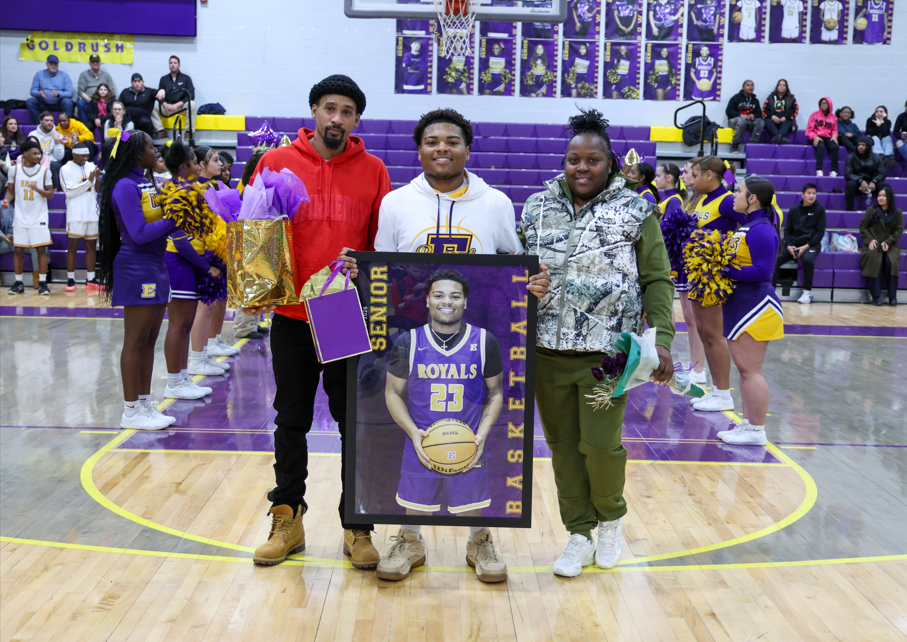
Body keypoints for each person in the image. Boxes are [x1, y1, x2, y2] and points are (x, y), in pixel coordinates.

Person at [345, 108, 547, 583]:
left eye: (452, 141)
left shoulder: (495, 202)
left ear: (467, 148)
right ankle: (408, 536)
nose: (442, 148)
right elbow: (381, 268)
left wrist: (532, 283)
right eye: (432, 141)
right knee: (408, 434)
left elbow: (511, 266)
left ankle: (481, 536)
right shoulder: (396, 203)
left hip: (473, 340)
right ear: (418, 149)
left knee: (478, 435)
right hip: (410, 339)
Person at [243, 75, 391, 569]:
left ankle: (357, 526)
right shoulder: (276, 162)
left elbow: (381, 247)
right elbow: (254, 235)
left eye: (347, 111)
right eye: (330, 108)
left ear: (356, 119)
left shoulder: (373, 171)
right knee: (291, 420)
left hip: (342, 311)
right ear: (313, 110)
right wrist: (254, 288)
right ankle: (287, 518)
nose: (337, 119)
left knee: (355, 422)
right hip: (290, 312)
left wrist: (364, 266)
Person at [520, 107, 674, 577]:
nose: (581, 168)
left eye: (592, 160)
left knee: (601, 447)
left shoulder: (635, 209)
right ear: (563, 162)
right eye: (573, 159)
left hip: (608, 355)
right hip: (546, 352)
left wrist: (662, 338)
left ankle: (611, 520)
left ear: (610, 163)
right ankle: (579, 533)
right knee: (563, 448)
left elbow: (657, 277)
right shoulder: (535, 207)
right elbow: (515, 274)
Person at [382, 272, 506, 581]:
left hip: (468, 441)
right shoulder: (408, 341)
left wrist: (481, 436)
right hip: (423, 440)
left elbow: (496, 392)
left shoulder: (483, 341)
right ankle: (410, 543)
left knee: (471, 505)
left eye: (454, 296)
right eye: (438, 295)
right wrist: (413, 432)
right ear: (427, 299)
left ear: (465, 301)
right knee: (415, 504)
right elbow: (391, 392)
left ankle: (479, 543)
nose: (446, 302)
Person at [96, 130, 177, 430]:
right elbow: (140, 234)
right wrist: (175, 219)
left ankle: (144, 403)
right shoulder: (124, 186)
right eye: (150, 147)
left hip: (156, 264)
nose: (155, 151)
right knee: (135, 340)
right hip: (136, 266)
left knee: (149, 340)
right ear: (136, 153)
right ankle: (130, 410)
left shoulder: (147, 181)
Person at [717, 176, 784, 446]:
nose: (735, 194)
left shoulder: (762, 230)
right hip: (741, 302)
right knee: (745, 371)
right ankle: (748, 424)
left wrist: (724, 270)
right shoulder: (749, 225)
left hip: (755, 305)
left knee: (751, 371)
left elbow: (763, 271)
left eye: (740, 190)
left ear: (753, 198)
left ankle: (757, 430)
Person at [160, 142, 219, 399]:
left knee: (184, 324)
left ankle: (182, 378)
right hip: (178, 262)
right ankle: (174, 382)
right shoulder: (177, 193)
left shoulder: (188, 189)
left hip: (189, 261)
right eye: (195, 163)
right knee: (178, 324)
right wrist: (206, 266)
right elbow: (180, 240)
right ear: (184, 167)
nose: (198, 167)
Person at [687, 156, 744, 412]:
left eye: (695, 175)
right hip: (698, 272)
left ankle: (723, 395)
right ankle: (716, 389)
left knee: (713, 335)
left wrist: (733, 254)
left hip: (714, 277)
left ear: (710, 175)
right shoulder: (702, 200)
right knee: (703, 333)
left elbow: (757, 223)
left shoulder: (728, 201)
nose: (692, 180)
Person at [657, 162, 706, 383]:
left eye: (689, 172)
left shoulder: (676, 200)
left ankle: (699, 368)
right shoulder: (688, 200)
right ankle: (695, 366)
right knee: (689, 318)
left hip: (693, 263)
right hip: (684, 261)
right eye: (687, 172)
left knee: (695, 320)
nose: (685, 176)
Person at [2, 139, 54, 296]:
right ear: (24, 154)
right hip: (20, 216)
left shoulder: (45, 171)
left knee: (41, 250)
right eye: (34, 153)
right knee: (18, 250)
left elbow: (50, 194)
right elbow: (10, 191)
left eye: (39, 153)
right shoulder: (14, 170)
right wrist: (6, 200)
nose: (38, 156)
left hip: (39, 216)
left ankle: (43, 283)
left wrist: (38, 189)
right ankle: (18, 283)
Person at [773, 183, 826, 304]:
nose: (811, 196)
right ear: (802, 195)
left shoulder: (820, 210)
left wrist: (806, 247)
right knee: (776, 258)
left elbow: (819, 233)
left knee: (807, 260)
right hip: (794, 243)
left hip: (811, 244)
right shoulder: (794, 210)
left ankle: (807, 291)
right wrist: (788, 245)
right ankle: (771, 290)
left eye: (814, 193)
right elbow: (787, 230)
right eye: (809, 193)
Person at [60, 143, 102, 292]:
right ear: (74, 154)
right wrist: (89, 181)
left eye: (87, 156)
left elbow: (98, 190)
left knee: (91, 246)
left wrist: (97, 179)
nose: (85, 158)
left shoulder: (91, 166)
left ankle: (90, 279)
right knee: (73, 247)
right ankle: (70, 279)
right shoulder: (65, 169)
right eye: (83, 156)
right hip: (75, 214)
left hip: (91, 212)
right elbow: (69, 191)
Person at [859, 186, 902, 306]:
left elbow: (899, 230)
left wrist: (888, 242)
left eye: (883, 196)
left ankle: (892, 296)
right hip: (874, 244)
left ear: (889, 197)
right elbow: (863, 227)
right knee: (875, 261)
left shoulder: (897, 212)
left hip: (891, 245)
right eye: (879, 196)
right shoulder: (871, 210)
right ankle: (876, 296)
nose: (880, 198)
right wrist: (870, 240)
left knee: (890, 263)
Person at [152, 56, 197, 141]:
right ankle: (161, 131)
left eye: (175, 63)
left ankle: (188, 131)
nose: (173, 65)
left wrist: (177, 105)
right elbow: (159, 97)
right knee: (152, 104)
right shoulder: (164, 79)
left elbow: (191, 95)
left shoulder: (186, 78)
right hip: (167, 107)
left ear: (179, 65)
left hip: (180, 107)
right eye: (171, 63)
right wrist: (166, 105)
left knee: (192, 104)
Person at [26, 55, 74, 125]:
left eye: (55, 64)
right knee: (30, 102)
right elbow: (32, 91)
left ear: (58, 64)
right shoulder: (39, 74)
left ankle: (66, 126)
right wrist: (39, 93)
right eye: (51, 64)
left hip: (58, 103)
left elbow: (70, 93)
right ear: (47, 64)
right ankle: (37, 125)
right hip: (43, 102)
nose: (53, 65)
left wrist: (59, 94)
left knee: (68, 102)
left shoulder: (64, 75)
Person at [844, 136, 886, 211]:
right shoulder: (851, 157)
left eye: (863, 145)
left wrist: (874, 181)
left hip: (872, 183)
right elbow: (848, 174)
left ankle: (883, 209)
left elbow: (882, 174)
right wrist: (861, 181)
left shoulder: (876, 158)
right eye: (859, 145)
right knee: (850, 184)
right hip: (857, 182)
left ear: (868, 147)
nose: (860, 147)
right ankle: (849, 209)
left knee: (885, 186)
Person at [76, 54, 117, 126]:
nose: (95, 63)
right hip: (89, 100)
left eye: (97, 61)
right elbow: (80, 91)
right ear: (89, 63)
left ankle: (104, 122)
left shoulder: (106, 75)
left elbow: (112, 90)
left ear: (100, 63)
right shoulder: (84, 74)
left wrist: (105, 98)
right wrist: (89, 99)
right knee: (80, 103)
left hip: (104, 100)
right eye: (93, 61)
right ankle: (85, 125)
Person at [726, 80, 764, 154]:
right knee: (741, 121)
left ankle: (752, 144)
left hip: (748, 122)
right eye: (748, 85)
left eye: (752, 85)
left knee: (761, 122)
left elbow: (759, 113)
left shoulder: (755, 100)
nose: (750, 87)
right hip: (734, 121)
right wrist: (740, 115)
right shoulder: (736, 98)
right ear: (743, 88)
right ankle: (735, 145)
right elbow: (729, 111)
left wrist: (754, 115)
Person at [29, 111, 65, 189]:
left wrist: (56, 141)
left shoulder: (58, 135)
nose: (49, 123)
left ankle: (53, 192)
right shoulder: (33, 134)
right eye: (46, 120)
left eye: (51, 121)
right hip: (37, 160)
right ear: (40, 121)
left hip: (54, 162)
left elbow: (59, 157)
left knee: (51, 165)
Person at [805, 97, 839, 177]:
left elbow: (835, 130)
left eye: (825, 103)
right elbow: (809, 130)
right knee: (820, 146)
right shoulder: (814, 115)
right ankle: (819, 170)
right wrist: (814, 137)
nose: (823, 105)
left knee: (835, 147)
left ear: (830, 104)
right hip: (816, 136)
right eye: (822, 103)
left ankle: (833, 171)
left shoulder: (833, 117)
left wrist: (834, 136)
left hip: (828, 137)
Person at [761, 79, 798, 144]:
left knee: (788, 122)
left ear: (786, 88)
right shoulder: (770, 97)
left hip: (785, 120)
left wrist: (785, 117)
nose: (782, 86)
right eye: (780, 85)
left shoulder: (791, 98)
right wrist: (772, 116)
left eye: (784, 85)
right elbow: (764, 110)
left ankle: (777, 137)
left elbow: (795, 111)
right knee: (767, 120)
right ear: (777, 87)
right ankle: (780, 137)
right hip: (773, 120)